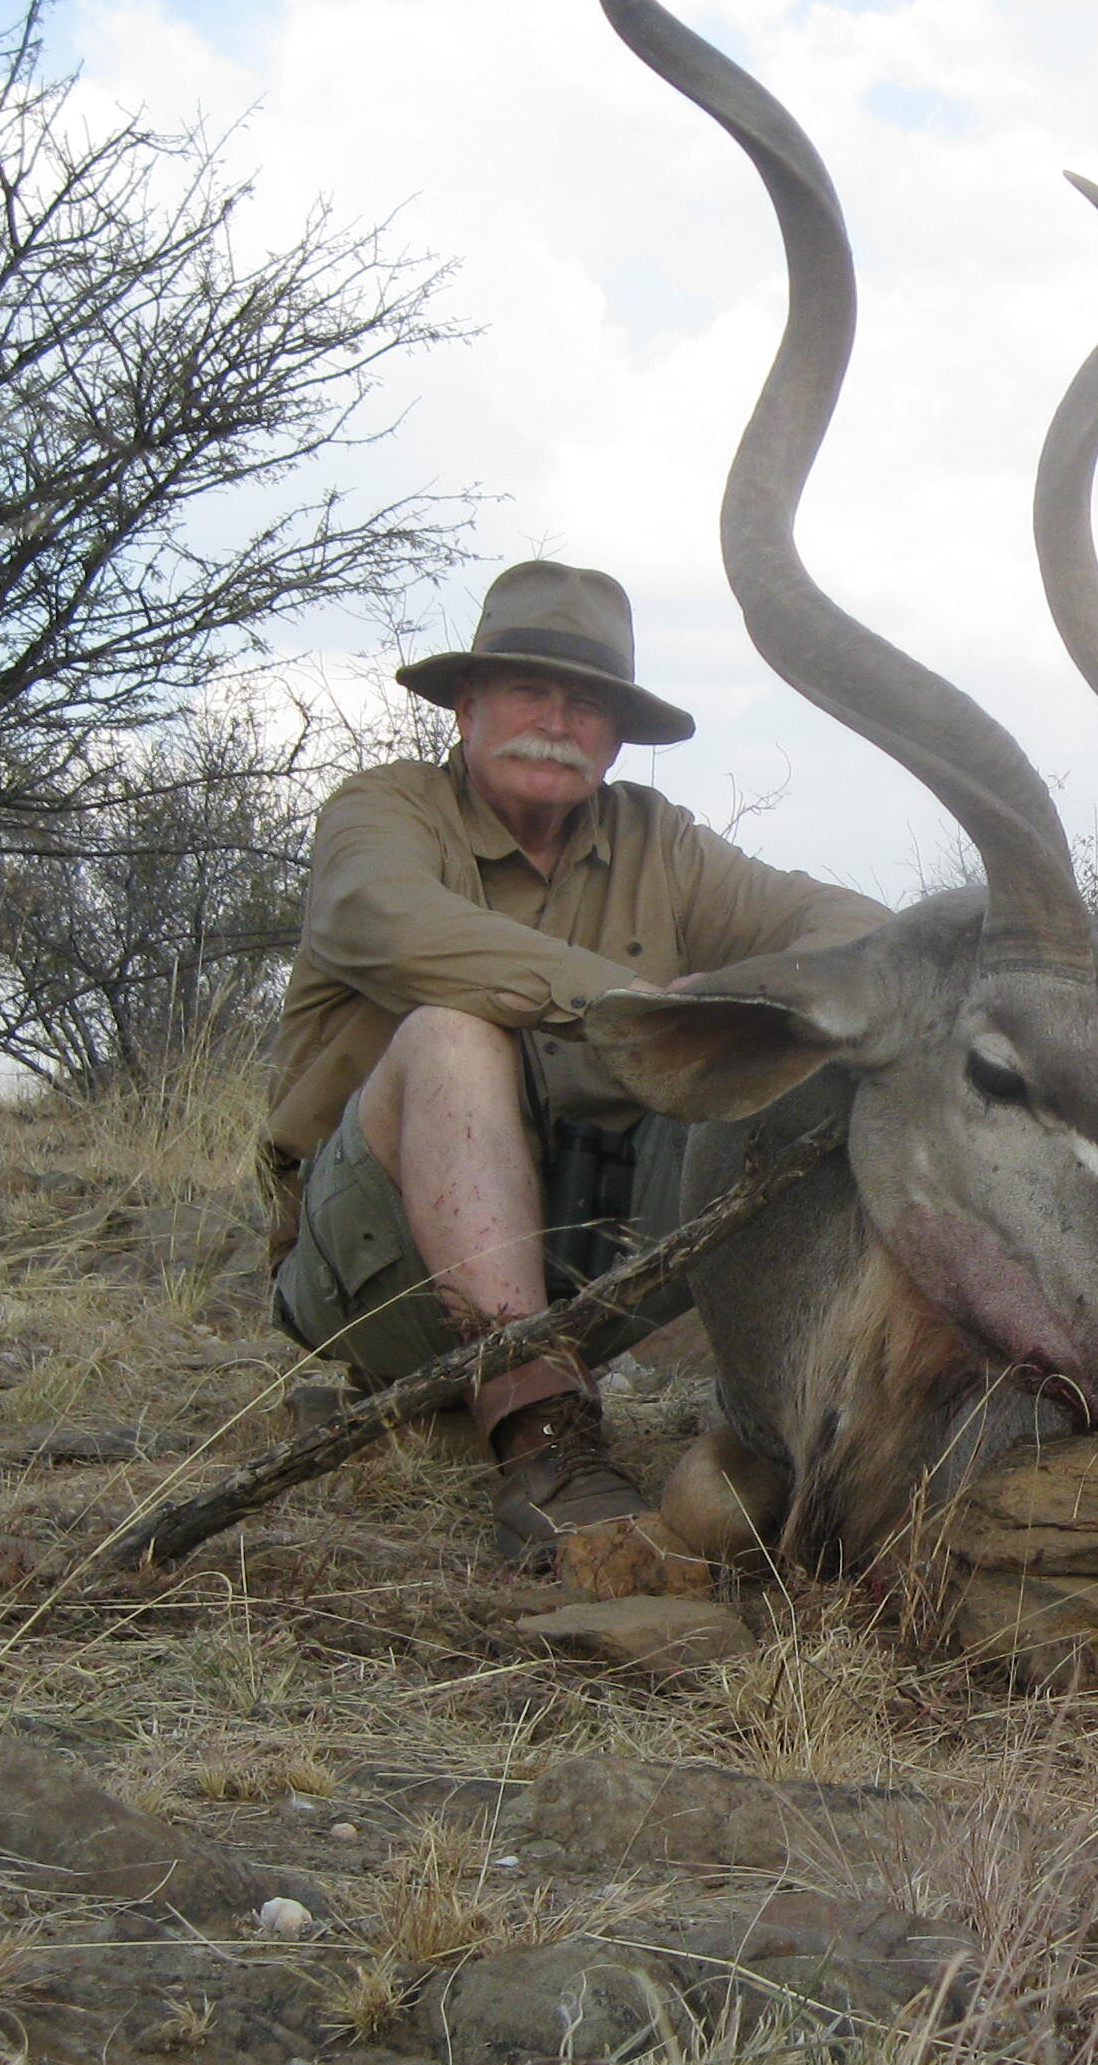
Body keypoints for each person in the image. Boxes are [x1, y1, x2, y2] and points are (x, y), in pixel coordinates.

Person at [261, 560, 885, 1555]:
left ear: (617, 733)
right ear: (466, 708)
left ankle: (832, 1429)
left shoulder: (658, 840)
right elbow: (377, 917)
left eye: (588, 702)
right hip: (378, 1276)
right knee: (453, 1036)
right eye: (527, 690)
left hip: (598, 1263)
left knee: (809, 1069)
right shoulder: (382, 809)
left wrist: (761, 1003)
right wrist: (633, 1011)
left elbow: (850, 927)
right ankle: (544, 1440)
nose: (557, 719)